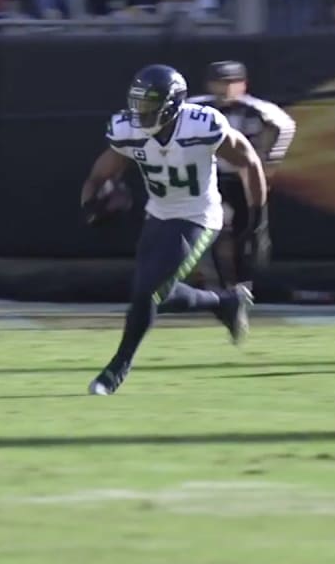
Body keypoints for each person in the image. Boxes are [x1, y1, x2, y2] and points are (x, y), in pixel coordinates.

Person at [79, 65, 265, 396]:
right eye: (138, 103)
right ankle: (225, 303)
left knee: (145, 292)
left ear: (172, 104)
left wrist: (257, 217)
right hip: (159, 215)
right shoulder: (128, 129)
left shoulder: (201, 125)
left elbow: (248, 161)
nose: (142, 112)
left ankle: (116, 369)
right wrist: (91, 205)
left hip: (198, 216)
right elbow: (99, 174)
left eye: (150, 104)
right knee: (157, 292)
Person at [190, 61, 295, 293]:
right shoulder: (195, 108)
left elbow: (286, 126)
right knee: (213, 229)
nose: (226, 89)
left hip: (245, 178)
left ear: (243, 85)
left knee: (247, 233)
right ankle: (218, 285)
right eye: (220, 82)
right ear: (210, 84)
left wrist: (270, 162)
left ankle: (242, 284)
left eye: (232, 83)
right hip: (212, 178)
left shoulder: (258, 109)